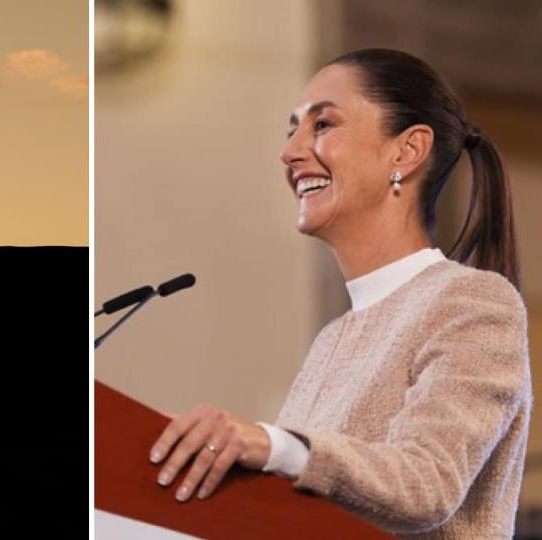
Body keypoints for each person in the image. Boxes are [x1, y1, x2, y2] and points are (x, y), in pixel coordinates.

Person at [148, 48, 532, 538]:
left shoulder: (474, 302)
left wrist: (269, 444)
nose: (289, 152)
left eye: (322, 125)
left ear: (406, 151)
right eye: (291, 130)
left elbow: (426, 484)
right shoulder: (332, 338)